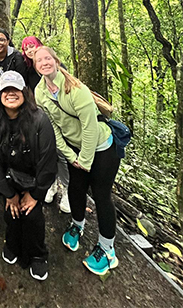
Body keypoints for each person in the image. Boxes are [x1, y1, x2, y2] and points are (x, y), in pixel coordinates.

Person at [33, 46, 120, 276]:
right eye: (39, 60)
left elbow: (90, 127)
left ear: (56, 61)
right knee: (76, 188)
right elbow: (52, 126)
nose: (44, 62)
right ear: (35, 65)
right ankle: (78, 225)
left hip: (101, 147)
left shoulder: (76, 88)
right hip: (75, 149)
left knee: (101, 195)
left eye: (47, 58)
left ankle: (107, 249)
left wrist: (85, 161)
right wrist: (71, 156)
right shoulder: (39, 92)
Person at [0, 71, 57, 281]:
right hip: (8, 177)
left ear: (24, 92)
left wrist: (36, 193)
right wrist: (8, 193)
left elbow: (48, 160)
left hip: (34, 178)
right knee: (11, 211)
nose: (11, 94)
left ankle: (38, 254)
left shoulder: (39, 119)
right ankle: (12, 244)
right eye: (6, 90)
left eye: (15, 89)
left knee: (32, 215)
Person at [21, 36, 70, 214]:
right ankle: (51, 183)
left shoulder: (57, 70)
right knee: (46, 151)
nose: (31, 51)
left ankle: (66, 189)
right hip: (40, 116)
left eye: (33, 46)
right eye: (27, 48)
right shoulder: (29, 70)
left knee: (62, 153)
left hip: (62, 119)